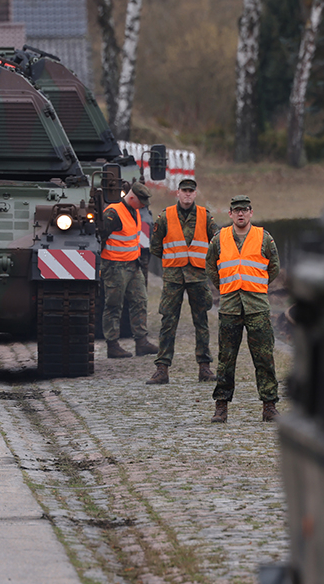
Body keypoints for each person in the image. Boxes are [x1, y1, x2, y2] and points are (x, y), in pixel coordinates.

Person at [205, 195, 280, 423]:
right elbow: (210, 266)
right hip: (230, 307)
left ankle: (269, 406)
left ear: (251, 212)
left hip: (257, 306)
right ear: (230, 214)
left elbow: (274, 267)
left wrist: (258, 286)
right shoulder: (219, 239)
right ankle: (221, 407)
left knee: (264, 358)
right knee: (226, 358)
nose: (240, 214)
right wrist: (225, 288)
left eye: (244, 210)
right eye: (236, 210)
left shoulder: (264, 238)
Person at [145, 177, 218, 384]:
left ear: (195, 194)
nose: (187, 194)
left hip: (198, 276)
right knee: (168, 321)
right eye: (184, 191)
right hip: (173, 277)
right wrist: (173, 259)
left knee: (201, 321)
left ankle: (205, 368)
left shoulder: (205, 216)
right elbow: (155, 246)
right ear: (177, 193)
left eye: (190, 191)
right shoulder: (165, 216)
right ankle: (162, 369)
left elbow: (217, 243)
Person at [101, 182, 158, 358]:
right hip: (115, 266)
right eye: (141, 202)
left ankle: (141, 342)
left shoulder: (135, 210)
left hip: (133, 265)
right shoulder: (113, 213)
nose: (143, 206)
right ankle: (112, 345)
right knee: (114, 305)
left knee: (140, 301)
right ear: (132, 198)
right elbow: (100, 237)